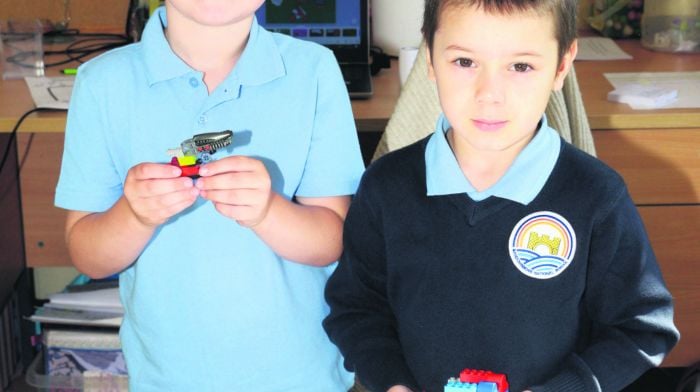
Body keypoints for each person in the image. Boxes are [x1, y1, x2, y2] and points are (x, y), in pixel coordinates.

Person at [322, 1, 680, 391]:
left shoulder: (595, 196)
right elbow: (356, 309)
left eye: (520, 66)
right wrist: (392, 382)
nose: (489, 94)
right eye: (464, 62)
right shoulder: (386, 186)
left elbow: (643, 328)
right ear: (429, 57)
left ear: (562, 65)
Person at [54, 1, 364, 391]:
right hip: (168, 377)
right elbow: (88, 255)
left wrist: (268, 212)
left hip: (300, 375)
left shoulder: (314, 71)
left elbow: (332, 240)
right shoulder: (101, 83)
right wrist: (134, 216)